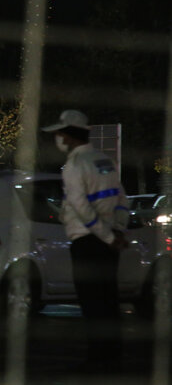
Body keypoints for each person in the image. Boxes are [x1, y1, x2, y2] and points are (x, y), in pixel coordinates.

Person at [42, 109, 129, 372]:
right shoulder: (104, 160)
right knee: (108, 299)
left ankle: (98, 359)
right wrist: (118, 232)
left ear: (69, 135)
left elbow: (80, 206)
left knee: (92, 302)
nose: (57, 138)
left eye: (59, 133)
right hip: (108, 243)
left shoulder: (74, 165)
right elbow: (122, 199)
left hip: (87, 242)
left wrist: (106, 235)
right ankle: (113, 357)